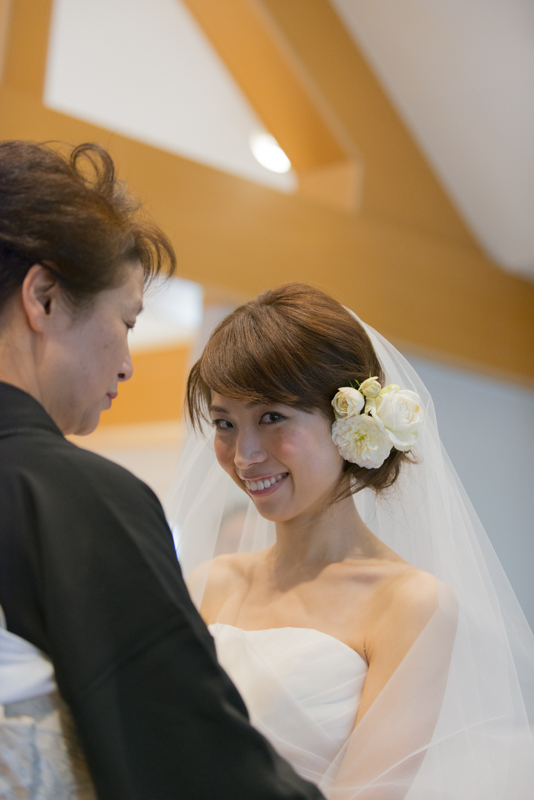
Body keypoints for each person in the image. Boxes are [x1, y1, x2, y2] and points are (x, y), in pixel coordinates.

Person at [0, 141, 325, 800]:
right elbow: (192, 757)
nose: (127, 363)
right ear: (44, 297)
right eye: (127, 320)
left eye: (272, 418)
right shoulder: (74, 499)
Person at [169, 283, 534, 799]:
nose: (244, 455)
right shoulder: (210, 583)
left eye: (272, 417)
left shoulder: (409, 604)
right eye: (225, 423)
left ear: (348, 421)